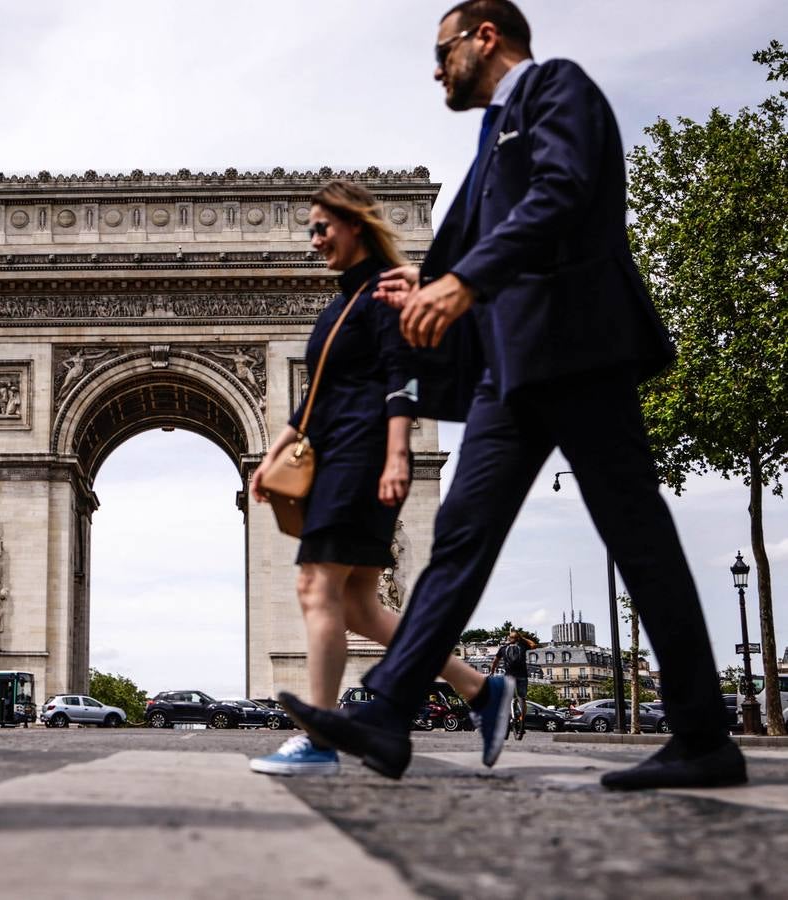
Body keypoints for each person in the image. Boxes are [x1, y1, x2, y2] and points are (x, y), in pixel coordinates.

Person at [281, 0, 745, 791]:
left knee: (638, 538)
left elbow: (562, 193)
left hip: (578, 351)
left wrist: (460, 280)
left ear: (483, 37)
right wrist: (419, 285)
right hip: (508, 372)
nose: (435, 69)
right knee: (456, 542)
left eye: (442, 51)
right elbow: (473, 239)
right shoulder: (490, 139)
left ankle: (703, 733)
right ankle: (387, 716)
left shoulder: (556, 89)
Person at [249, 181, 493, 778]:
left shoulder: (386, 291)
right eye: (309, 229)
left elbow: (401, 374)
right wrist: (272, 454)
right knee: (359, 607)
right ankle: (479, 689)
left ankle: (318, 736)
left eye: (322, 227)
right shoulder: (338, 306)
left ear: (355, 223)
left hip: (360, 459)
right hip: (333, 456)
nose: (313, 240)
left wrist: (397, 455)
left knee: (315, 586)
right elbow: (313, 401)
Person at [490, 631, 535, 734]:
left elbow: (495, 661)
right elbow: (533, 644)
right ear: (518, 638)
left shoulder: (503, 648)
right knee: (522, 699)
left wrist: (492, 672)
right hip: (522, 676)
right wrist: (522, 638)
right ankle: (522, 720)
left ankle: (508, 718)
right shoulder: (523, 646)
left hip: (509, 677)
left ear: (509, 638)